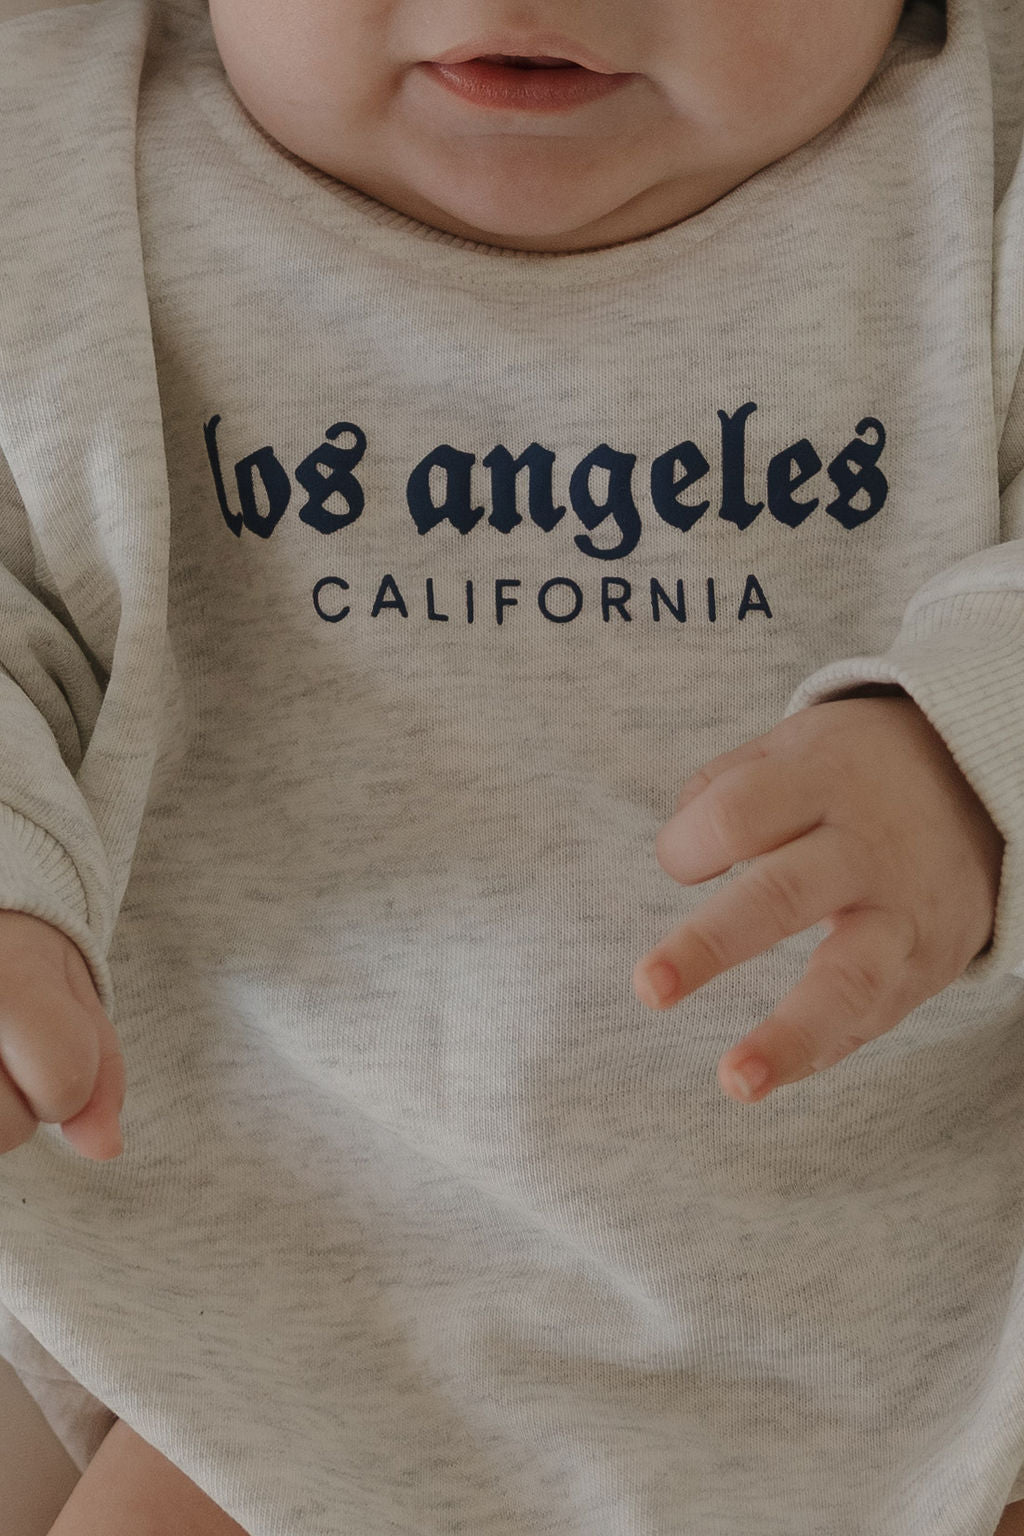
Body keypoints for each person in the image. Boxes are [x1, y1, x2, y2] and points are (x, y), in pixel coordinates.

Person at [0, 0, 1023, 1529]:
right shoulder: (58, 160)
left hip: (924, 1315)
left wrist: (970, 747)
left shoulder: (983, 152)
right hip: (275, 1309)